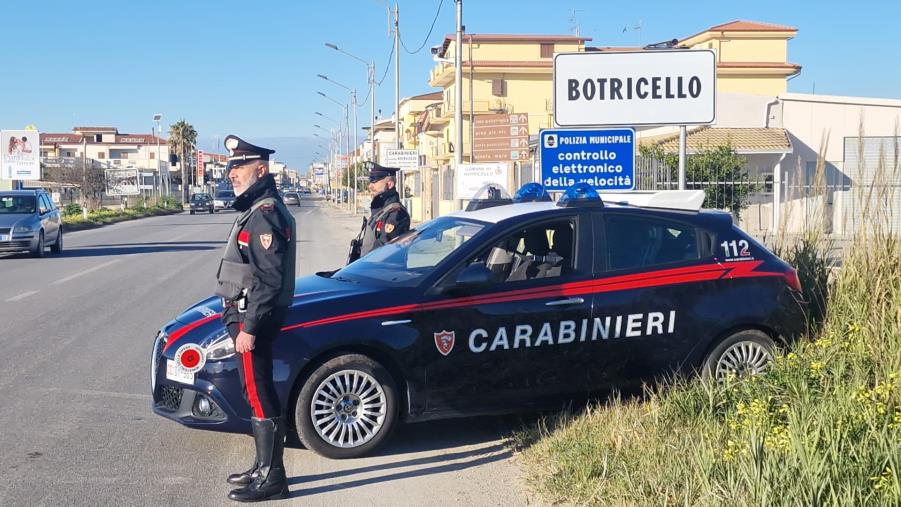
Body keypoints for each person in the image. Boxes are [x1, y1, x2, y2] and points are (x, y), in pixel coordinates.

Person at [214, 135, 296, 502]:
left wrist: (248, 328)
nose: (233, 173)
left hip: (254, 317)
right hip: (248, 314)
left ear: (260, 169)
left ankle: (273, 478)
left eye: (240, 166)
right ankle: (262, 467)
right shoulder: (258, 208)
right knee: (255, 391)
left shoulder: (265, 214)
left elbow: (269, 279)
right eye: (231, 167)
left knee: (260, 394)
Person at [348, 162, 410, 262]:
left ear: (389, 184)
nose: (370, 186)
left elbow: (382, 251)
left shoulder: (396, 213)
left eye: (374, 181)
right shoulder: (380, 210)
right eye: (370, 181)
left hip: (381, 274)